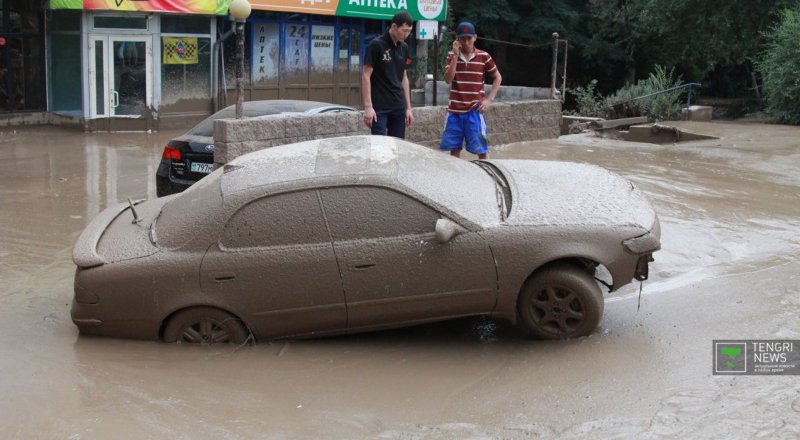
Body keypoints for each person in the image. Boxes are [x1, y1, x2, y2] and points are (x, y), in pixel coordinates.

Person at [440, 21, 502, 159]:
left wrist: (489, 100)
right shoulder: (451, 56)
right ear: (457, 39)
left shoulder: (483, 56)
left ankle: (487, 175)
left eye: (469, 38)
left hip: (474, 112)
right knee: (454, 150)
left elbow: (498, 77)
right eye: (463, 38)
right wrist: (456, 56)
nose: (466, 42)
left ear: (475, 37)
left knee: (481, 149)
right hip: (455, 112)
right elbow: (448, 80)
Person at [361, 11, 415, 138]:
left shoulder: (405, 47)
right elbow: (365, 75)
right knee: (379, 147)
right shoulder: (376, 45)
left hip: (399, 106)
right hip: (380, 107)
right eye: (404, 30)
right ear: (394, 26)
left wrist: (408, 108)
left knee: (397, 147)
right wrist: (368, 107)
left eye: (409, 31)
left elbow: (404, 78)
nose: (406, 35)